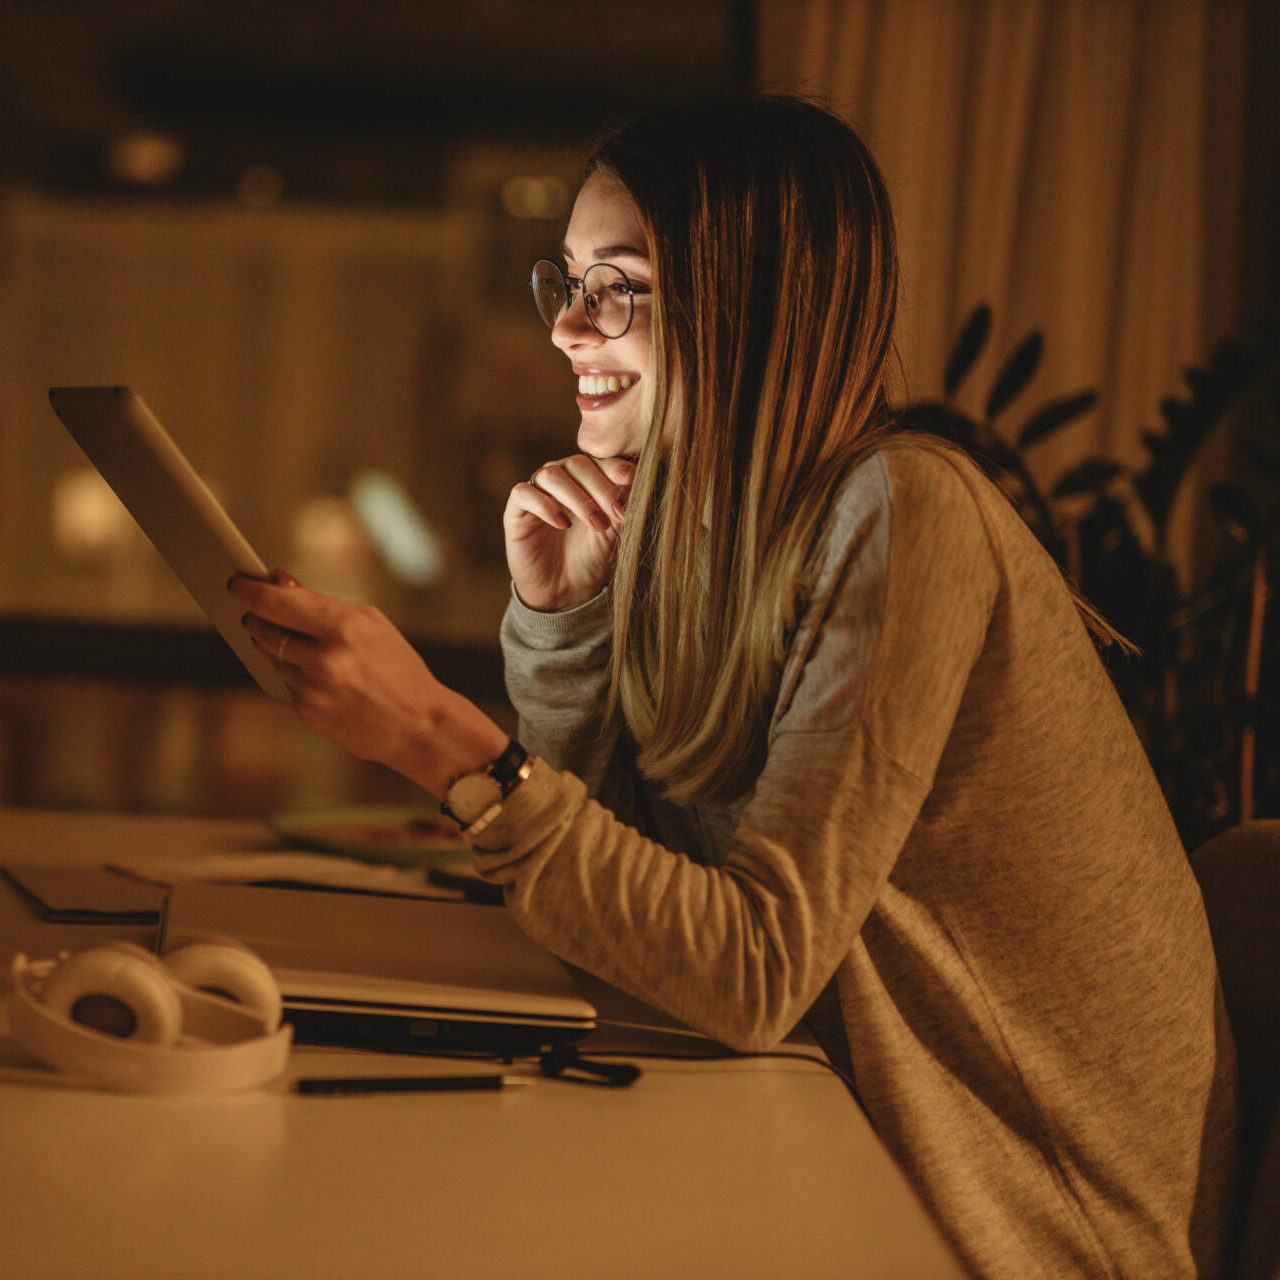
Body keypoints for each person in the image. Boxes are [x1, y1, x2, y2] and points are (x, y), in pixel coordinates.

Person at [231, 96, 1238, 1277]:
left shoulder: (907, 513)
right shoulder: (703, 537)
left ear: (746, 307)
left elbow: (751, 967)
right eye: (564, 283)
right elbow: (627, 943)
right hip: (833, 1147)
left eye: (617, 287)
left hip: (1019, 1230)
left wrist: (447, 746)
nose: (568, 330)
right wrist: (564, 628)